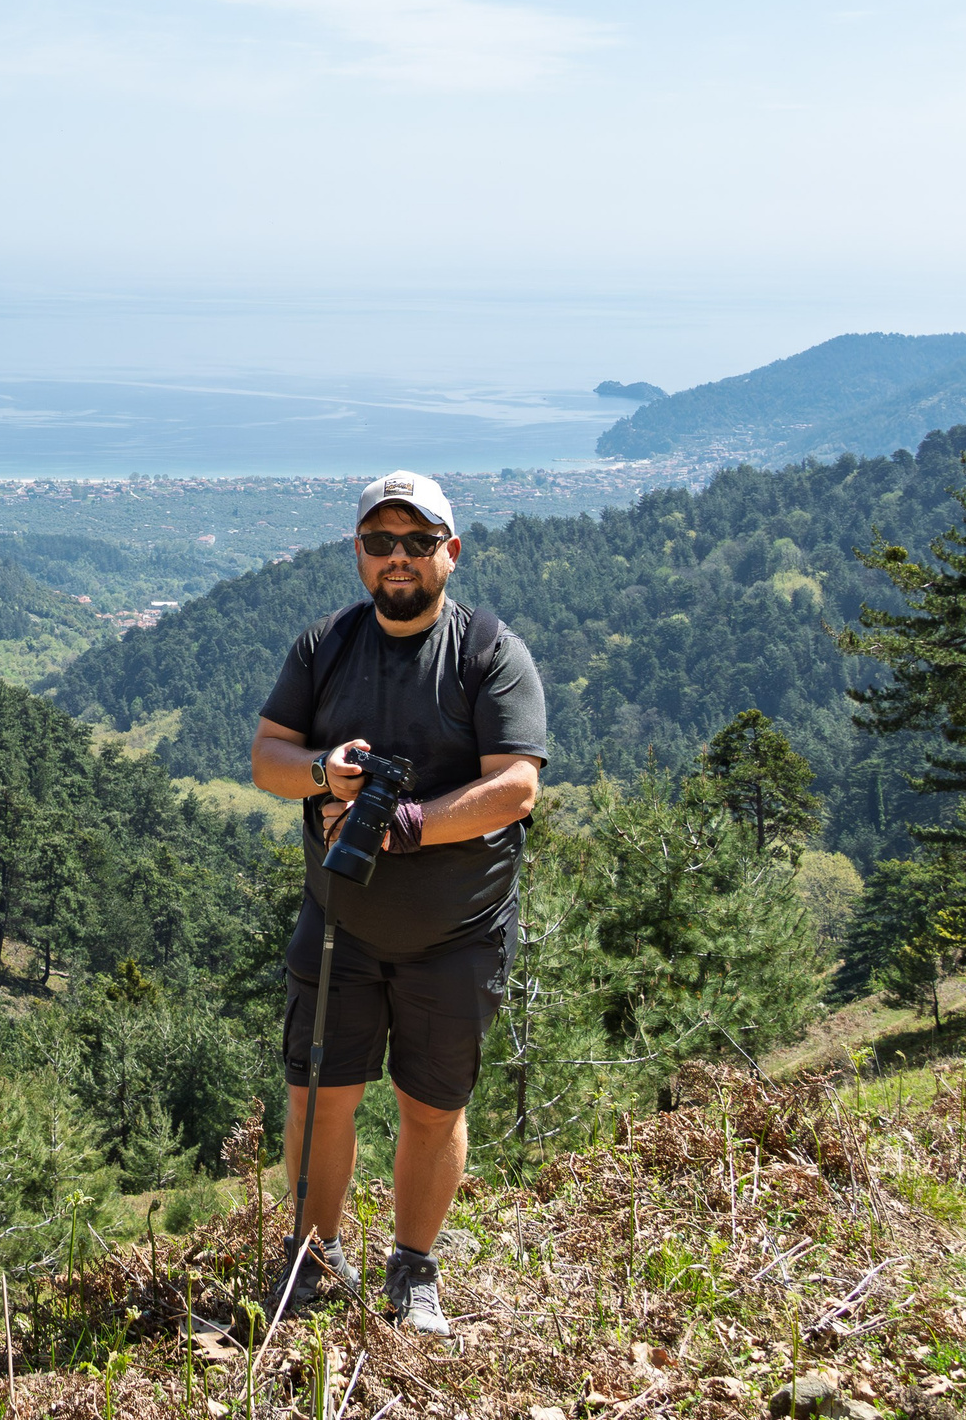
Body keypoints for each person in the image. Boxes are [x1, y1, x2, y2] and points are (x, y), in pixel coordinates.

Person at [248, 471, 546, 1334]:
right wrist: (321, 771)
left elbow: (516, 787)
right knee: (317, 1095)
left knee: (432, 1105)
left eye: (418, 542)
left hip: (456, 935)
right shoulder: (324, 647)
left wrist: (402, 824)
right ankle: (314, 1257)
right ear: (359, 556)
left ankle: (413, 1268)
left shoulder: (490, 652)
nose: (398, 558)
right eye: (381, 542)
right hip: (339, 923)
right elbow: (269, 755)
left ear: (450, 552)